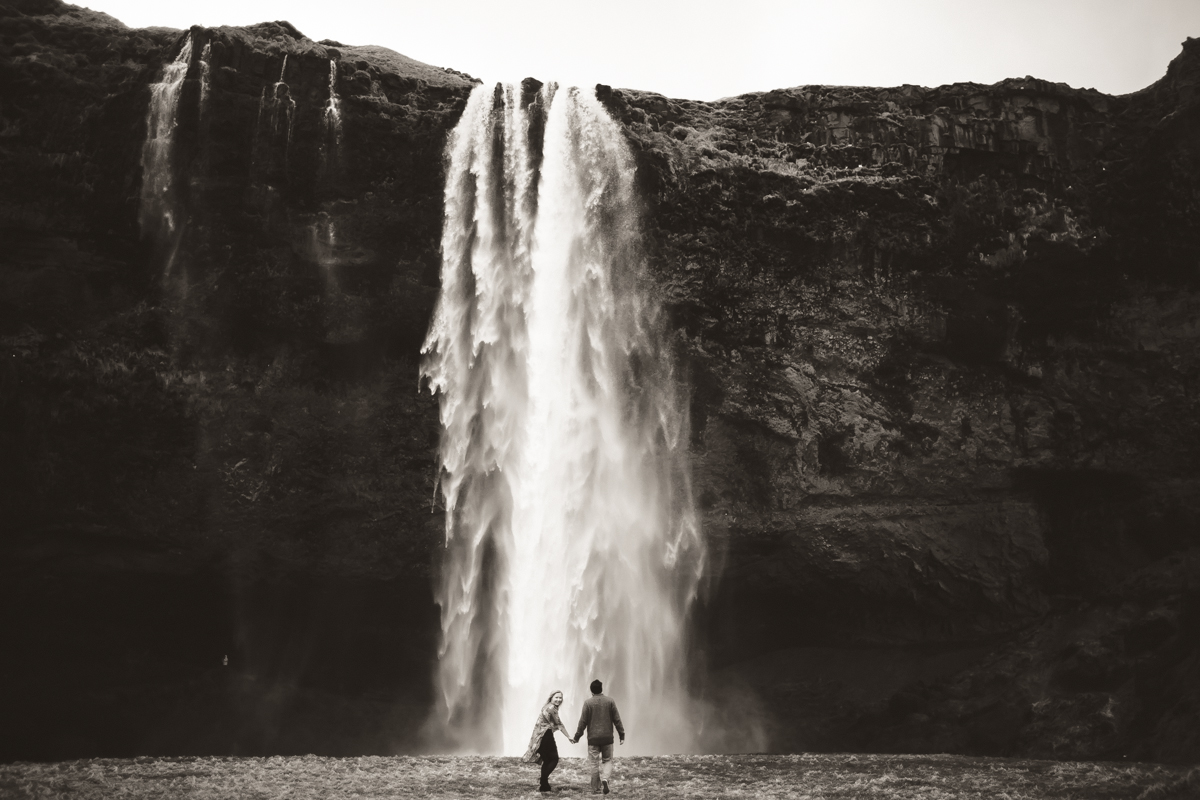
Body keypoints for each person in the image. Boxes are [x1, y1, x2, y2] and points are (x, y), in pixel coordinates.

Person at [571, 679, 624, 795]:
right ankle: (605, 779)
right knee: (608, 760)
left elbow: (583, 722)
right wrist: (621, 734)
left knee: (594, 763)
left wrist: (577, 737)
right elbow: (617, 719)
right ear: (602, 689)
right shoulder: (610, 701)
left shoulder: (588, 703)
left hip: (593, 740)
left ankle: (595, 789)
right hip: (607, 738)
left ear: (591, 691)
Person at [522, 689, 571, 792]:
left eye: (560, 697)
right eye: (556, 697)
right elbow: (559, 724)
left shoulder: (546, 706)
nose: (559, 699)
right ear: (551, 697)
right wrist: (569, 737)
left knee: (547, 760)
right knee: (554, 759)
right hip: (546, 736)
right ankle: (543, 780)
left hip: (539, 736)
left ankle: (544, 785)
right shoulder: (552, 708)